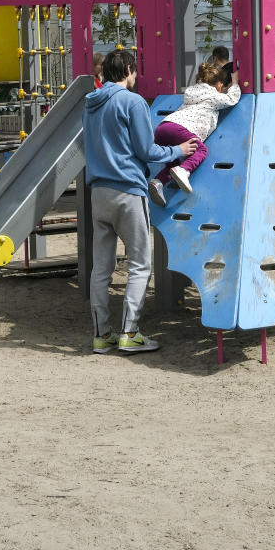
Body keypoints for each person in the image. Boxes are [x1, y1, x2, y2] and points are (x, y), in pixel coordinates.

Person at [83, 50, 197, 355]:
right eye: (135, 71)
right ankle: (129, 333)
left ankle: (101, 335)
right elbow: (147, 150)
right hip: (127, 191)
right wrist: (178, 152)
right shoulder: (132, 102)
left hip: (98, 191)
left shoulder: (90, 103)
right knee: (139, 265)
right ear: (129, 70)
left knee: (101, 269)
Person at [148, 61, 240, 205]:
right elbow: (232, 99)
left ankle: (157, 181)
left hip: (163, 128)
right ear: (218, 85)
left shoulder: (192, 94)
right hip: (181, 130)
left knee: (172, 164)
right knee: (201, 150)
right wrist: (234, 82)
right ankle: (184, 171)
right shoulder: (213, 96)